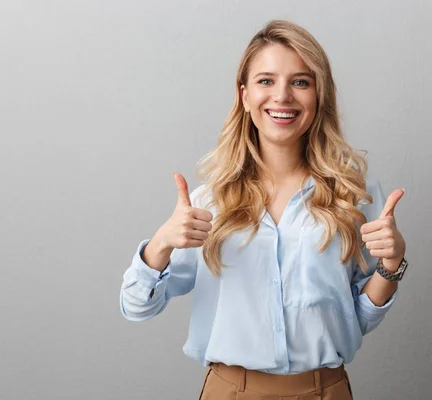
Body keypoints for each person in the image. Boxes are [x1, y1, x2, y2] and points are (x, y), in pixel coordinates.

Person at [120, 19, 408, 400]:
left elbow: (357, 319)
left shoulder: (355, 195)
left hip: (325, 390)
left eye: (300, 82)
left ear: (318, 95)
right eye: (266, 81)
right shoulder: (209, 202)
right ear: (244, 95)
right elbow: (136, 307)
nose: (283, 96)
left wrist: (392, 263)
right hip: (229, 391)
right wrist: (160, 244)